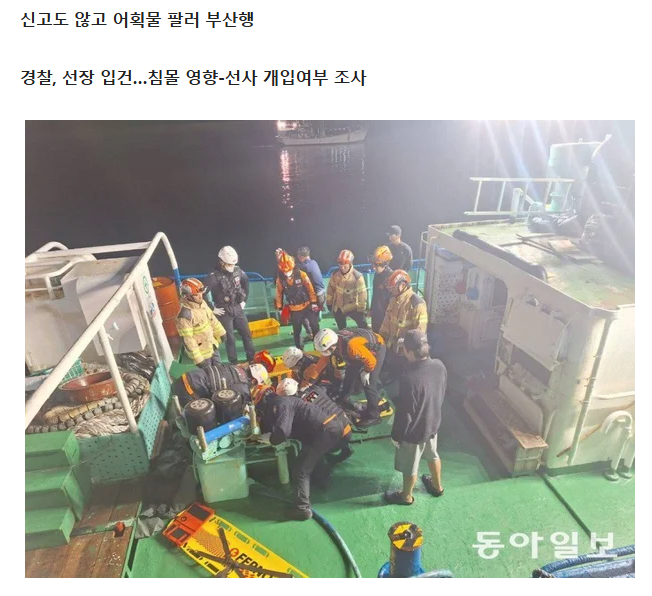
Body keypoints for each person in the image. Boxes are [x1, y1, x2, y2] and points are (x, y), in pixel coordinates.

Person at [256, 383, 353, 520]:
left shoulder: (283, 402)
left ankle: (302, 509)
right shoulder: (292, 400)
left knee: (301, 469)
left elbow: (283, 431)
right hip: (334, 427)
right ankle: (322, 481)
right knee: (313, 455)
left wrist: (271, 439)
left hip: (326, 431)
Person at [384, 330, 446, 505]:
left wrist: (396, 435)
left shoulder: (409, 379)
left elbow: (405, 413)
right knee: (433, 454)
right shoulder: (439, 366)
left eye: (404, 349)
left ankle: (406, 496)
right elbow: (441, 392)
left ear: (410, 352)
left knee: (410, 465)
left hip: (414, 432)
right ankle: (437, 486)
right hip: (433, 423)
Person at [314, 327, 385, 427]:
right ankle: (343, 398)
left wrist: (366, 371)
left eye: (327, 350)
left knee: (368, 384)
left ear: (332, 345)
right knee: (349, 375)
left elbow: (371, 361)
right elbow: (322, 362)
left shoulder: (351, 347)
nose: (326, 352)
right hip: (360, 350)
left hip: (376, 349)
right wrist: (310, 380)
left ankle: (374, 416)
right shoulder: (335, 341)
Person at [204, 246, 256, 365]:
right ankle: (234, 363)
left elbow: (246, 282)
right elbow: (202, 294)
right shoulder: (213, 276)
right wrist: (212, 309)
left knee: (247, 335)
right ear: (221, 262)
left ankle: (251, 358)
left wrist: (244, 301)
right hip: (224, 311)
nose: (231, 267)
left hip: (238, 307)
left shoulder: (238, 271)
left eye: (233, 264)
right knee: (229, 339)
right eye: (229, 264)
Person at [379, 269, 428, 380]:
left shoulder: (417, 304)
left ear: (402, 285)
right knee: (393, 367)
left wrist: (405, 344)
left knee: (406, 374)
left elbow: (420, 331)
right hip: (392, 347)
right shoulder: (393, 300)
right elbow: (387, 320)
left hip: (406, 350)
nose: (391, 290)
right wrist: (381, 337)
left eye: (393, 288)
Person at [175, 277, 226, 369]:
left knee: (219, 370)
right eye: (196, 295)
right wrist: (198, 359)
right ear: (187, 296)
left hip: (212, 345)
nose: (200, 296)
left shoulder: (202, 303)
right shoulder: (185, 315)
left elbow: (212, 318)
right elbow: (188, 340)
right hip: (203, 354)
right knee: (209, 375)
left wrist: (221, 332)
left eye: (201, 293)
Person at [172, 361, 269, 407]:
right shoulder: (243, 389)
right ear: (254, 381)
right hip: (187, 392)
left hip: (184, 377)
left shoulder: (234, 367)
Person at [275, 251, 320, 350]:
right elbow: (278, 293)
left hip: (307, 305)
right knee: (297, 330)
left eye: (288, 270)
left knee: (315, 326)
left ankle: (318, 347)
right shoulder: (280, 280)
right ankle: (300, 350)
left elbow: (310, 289)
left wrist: (313, 302)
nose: (287, 273)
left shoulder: (302, 274)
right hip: (294, 308)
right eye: (284, 271)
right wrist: (280, 308)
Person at [326, 250, 368, 329]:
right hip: (338, 307)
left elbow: (362, 294)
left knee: (363, 326)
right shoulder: (335, 275)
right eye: (340, 265)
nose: (342, 267)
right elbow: (330, 290)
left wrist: (361, 309)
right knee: (342, 329)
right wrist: (329, 303)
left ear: (350, 263)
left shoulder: (357, 277)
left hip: (353, 307)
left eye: (345, 265)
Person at [282, 346, 346, 396]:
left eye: (292, 367)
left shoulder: (310, 368)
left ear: (297, 363)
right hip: (320, 379)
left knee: (307, 395)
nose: (291, 369)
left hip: (329, 385)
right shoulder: (305, 357)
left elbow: (304, 387)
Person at [368, 245, 394, 333]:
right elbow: (375, 294)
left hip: (385, 316)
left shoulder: (391, 278)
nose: (373, 267)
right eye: (373, 264)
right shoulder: (377, 275)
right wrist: (371, 309)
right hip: (376, 314)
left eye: (376, 265)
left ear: (384, 264)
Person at [297, 247, 326, 312]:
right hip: (322, 293)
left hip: (317, 295)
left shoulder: (305, 266)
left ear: (301, 257)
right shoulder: (314, 262)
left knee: (312, 315)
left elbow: (295, 269)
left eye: (298, 257)